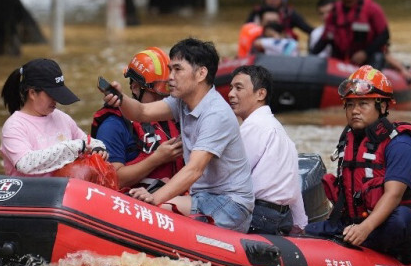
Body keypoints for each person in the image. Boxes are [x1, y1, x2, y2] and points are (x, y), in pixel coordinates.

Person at [102, 38, 254, 233]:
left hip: (231, 204)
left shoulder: (216, 114)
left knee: (149, 211)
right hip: (202, 196)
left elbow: (194, 170)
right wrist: (120, 99)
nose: (170, 77)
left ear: (201, 73)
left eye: (177, 69)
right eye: (170, 69)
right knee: (144, 210)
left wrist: (154, 198)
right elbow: (141, 112)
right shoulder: (181, 102)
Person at [305, 65, 411, 266]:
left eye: (363, 104)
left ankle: (358, 243)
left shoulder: (401, 144)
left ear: (383, 107)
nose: (355, 111)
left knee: (401, 219)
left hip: (399, 232)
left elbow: (393, 195)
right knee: (306, 231)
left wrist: (364, 229)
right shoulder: (348, 141)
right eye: (350, 105)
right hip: (357, 225)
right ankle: (347, 243)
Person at [228, 65, 307, 235]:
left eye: (238, 88)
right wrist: (300, 225)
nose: (231, 94)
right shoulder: (278, 130)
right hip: (282, 217)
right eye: (231, 88)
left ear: (260, 94)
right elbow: (294, 184)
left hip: (258, 215)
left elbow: (230, 177)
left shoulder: (255, 126)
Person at [91, 47, 184, 189]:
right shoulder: (113, 125)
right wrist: (157, 159)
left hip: (173, 196)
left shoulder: (175, 116)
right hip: (135, 203)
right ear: (135, 88)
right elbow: (112, 180)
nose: (164, 100)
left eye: (168, 93)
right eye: (158, 93)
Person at [0, 58, 108, 177]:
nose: (56, 100)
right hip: (30, 193)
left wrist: (98, 147)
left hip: (67, 190)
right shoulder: (14, 126)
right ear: (32, 93)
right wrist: (70, 148)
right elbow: (25, 164)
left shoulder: (61, 117)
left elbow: (86, 141)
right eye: (51, 95)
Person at [310, 0, 411, 81]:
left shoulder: (372, 9)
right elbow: (325, 38)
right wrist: (309, 58)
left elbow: (384, 35)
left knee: (377, 56)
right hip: (342, 59)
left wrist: (365, 53)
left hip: (368, 57)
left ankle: (374, 86)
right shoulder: (335, 11)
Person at [245, 0, 314, 40]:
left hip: (282, 50)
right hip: (260, 49)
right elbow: (246, 32)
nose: (272, 0)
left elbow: (308, 29)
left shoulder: (289, 13)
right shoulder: (257, 12)